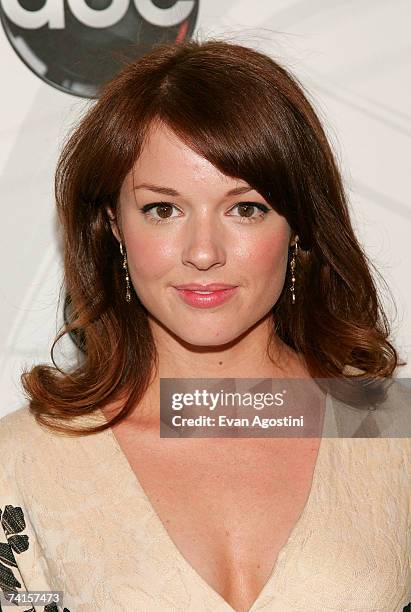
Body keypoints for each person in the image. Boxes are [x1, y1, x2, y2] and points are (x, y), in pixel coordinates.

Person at [0, 38, 410, 612]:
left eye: (245, 208)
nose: (202, 252)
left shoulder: (397, 438)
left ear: (298, 227)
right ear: (114, 225)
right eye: (163, 209)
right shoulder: (21, 462)